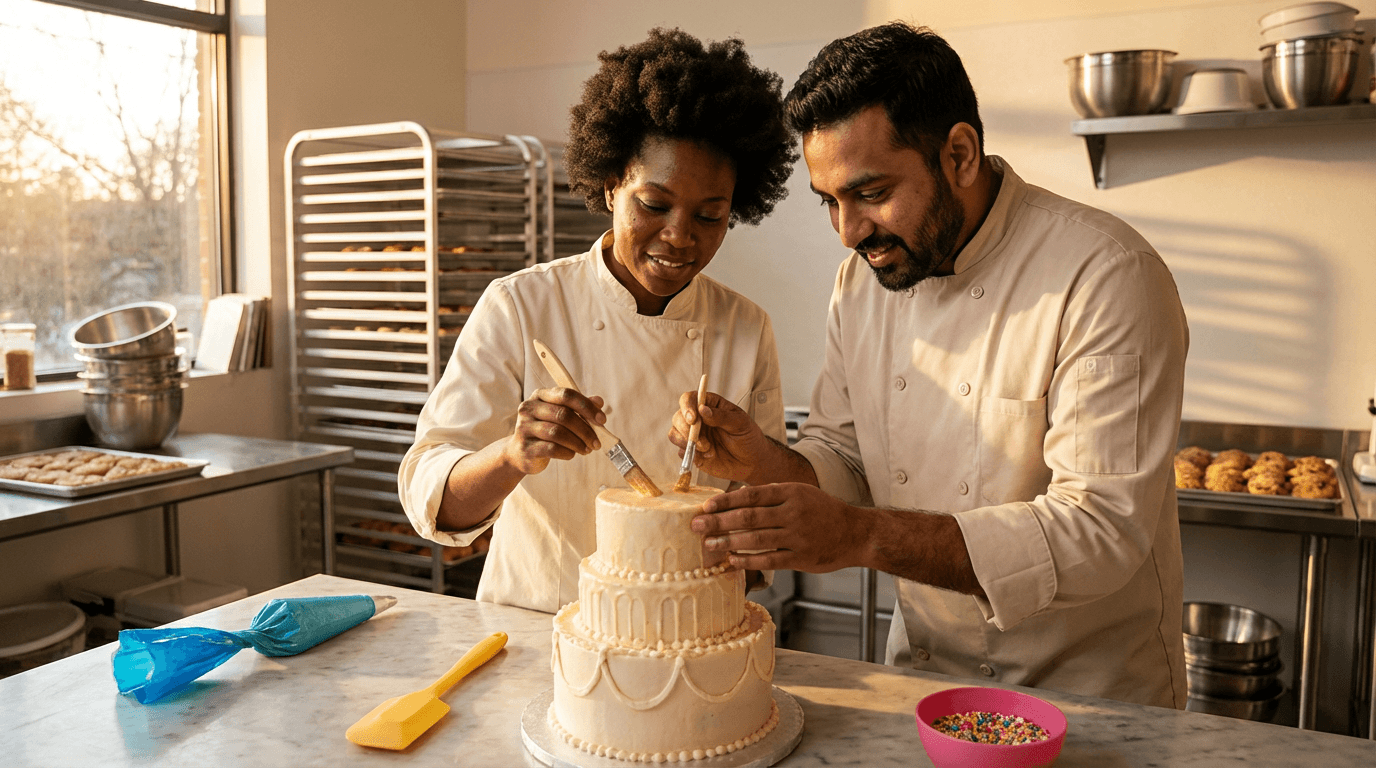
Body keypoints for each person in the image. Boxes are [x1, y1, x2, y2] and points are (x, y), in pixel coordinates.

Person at [673, 22, 1189, 708]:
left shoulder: (1103, 274)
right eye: (829, 201)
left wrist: (859, 537)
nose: (849, 233)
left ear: (960, 154)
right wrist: (761, 458)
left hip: (1086, 699)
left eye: (871, 192)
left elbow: (1100, 531)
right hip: (923, 681)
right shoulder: (863, 285)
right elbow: (843, 457)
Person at [398, 28, 797, 614]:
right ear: (612, 183)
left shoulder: (744, 326)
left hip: (685, 632)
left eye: (710, 216)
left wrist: (746, 478)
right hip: (538, 629)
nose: (680, 236)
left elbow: (767, 523)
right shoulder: (522, 307)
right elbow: (430, 498)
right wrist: (513, 455)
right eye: (654, 205)